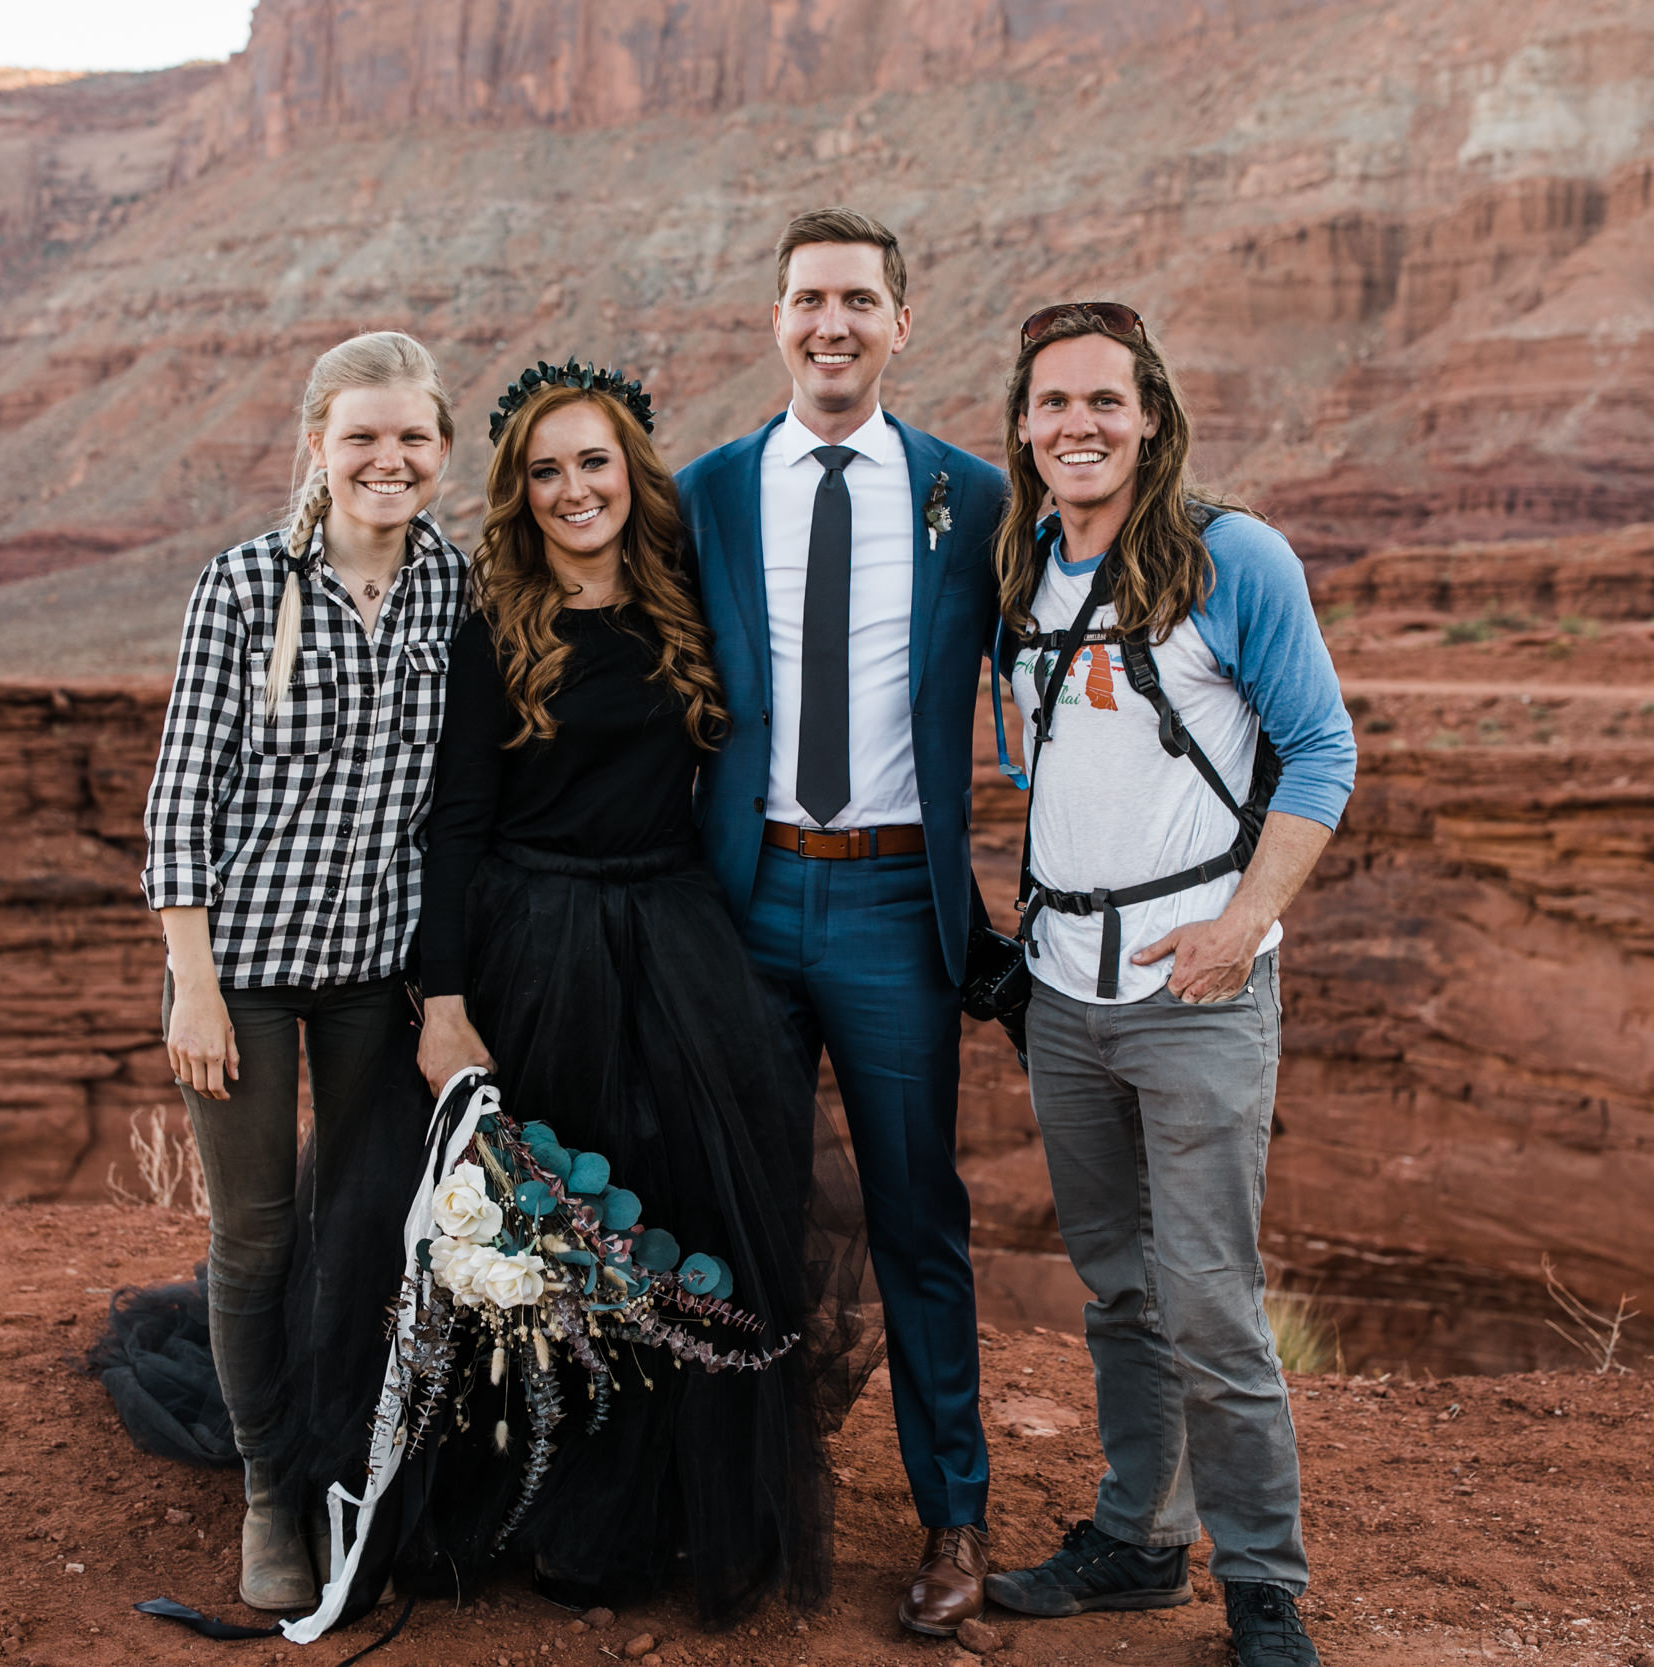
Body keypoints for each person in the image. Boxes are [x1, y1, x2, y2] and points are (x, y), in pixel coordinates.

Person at [411, 366, 870, 1623]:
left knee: (678, 1215)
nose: (574, 490)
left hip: (671, 937)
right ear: (521, 490)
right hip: (535, 939)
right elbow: (452, 824)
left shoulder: (684, 602)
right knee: (542, 1236)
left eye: (594, 464)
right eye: (547, 470)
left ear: (633, 474)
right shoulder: (491, 619)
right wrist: (441, 1004)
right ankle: (545, 1503)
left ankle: (663, 1505)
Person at [976, 302, 1355, 1667]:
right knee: (1121, 1286)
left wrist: (1246, 920)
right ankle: (1140, 1536)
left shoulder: (1228, 556)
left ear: (1150, 415)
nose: (1079, 424)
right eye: (1054, 403)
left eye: (1105, 402)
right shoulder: (1024, 570)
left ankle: (1262, 1582)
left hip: (1196, 991)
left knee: (1210, 1292)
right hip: (1065, 996)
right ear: (1023, 424)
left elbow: (1322, 750)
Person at [674, 207, 1011, 1636]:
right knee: (725, 1209)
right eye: (810, 298)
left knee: (914, 1210)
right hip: (740, 895)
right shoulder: (705, 491)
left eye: (859, 301)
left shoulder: (971, 498)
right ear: (775, 318)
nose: (833, 324)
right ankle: (734, 1507)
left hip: (890, 897)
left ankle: (952, 1513)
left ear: (901, 322)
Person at [138, 330, 469, 1612]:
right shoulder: (242, 586)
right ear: (319, 448)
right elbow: (180, 800)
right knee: (260, 1232)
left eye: (411, 439)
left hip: (375, 978)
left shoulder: (453, 589)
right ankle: (272, 1487)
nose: (388, 460)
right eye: (362, 438)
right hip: (252, 975)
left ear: (440, 451)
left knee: (365, 1227)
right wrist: (193, 982)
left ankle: (350, 1455)